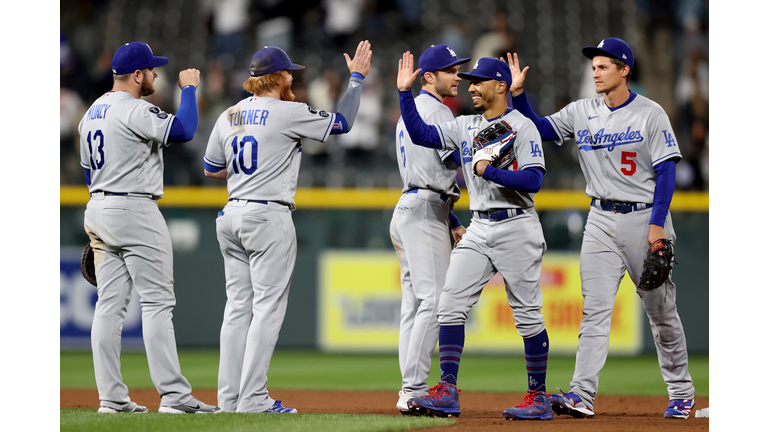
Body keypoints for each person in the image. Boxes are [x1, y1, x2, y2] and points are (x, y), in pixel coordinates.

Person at [506, 38, 695, 419]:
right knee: (594, 311)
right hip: (600, 220)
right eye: (593, 66)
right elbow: (539, 128)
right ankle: (581, 394)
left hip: (644, 218)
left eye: (604, 65)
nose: (595, 71)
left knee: (660, 312)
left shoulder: (650, 113)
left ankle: (681, 391)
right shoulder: (581, 111)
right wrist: (519, 95)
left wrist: (657, 224)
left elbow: (667, 170)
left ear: (624, 70)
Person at [203, 42, 373, 413]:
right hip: (267, 216)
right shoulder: (287, 111)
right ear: (278, 77)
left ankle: (229, 399)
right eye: (288, 72)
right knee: (267, 308)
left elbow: (211, 168)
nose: (292, 77)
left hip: (230, 214)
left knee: (237, 309)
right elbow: (341, 124)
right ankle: (252, 398)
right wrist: (356, 79)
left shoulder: (227, 115)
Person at [396, 52, 552, 420]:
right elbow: (419, 133)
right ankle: (447, 389)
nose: (472, 87)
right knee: (449, 304)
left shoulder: (522, 126)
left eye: (479, 81)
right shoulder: (465, 124)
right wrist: (405, 93)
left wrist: (489, 170)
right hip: (480, 226)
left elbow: (534, 180)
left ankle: (538, 396)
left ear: (501, 86)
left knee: (527, 314)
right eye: (469, 81)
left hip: (517, 224)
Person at [79, 42, 220, 414]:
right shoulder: (133, 109)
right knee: (158, 303)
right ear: (138, 74)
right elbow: (185, 129)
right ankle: (174, 397)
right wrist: (189, 88)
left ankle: (111, 398)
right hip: (134, 208)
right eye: (152, 70)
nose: (157, 75)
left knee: (109, 306)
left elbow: (86, 171)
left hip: (98, 206)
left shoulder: (90, 112)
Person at [390, 44, 469, 414]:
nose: (458, 76)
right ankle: (413, 390)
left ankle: (408, 388)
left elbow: (426, 167)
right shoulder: (437, 111)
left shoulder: (412, 111)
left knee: (414, 305)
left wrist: (452, 220)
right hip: (425, 210)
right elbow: (454, 160)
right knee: (435, 303)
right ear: (429, 77)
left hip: (411, 205)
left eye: (458, 69)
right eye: (450, 70)